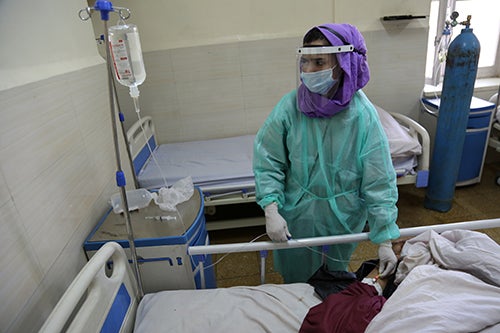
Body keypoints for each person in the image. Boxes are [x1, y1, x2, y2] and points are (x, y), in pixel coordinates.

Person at [253, 23, 399, 283]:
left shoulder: (363, 116)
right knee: (296, 282)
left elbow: (378, 180)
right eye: (305, 62)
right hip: (297, 214)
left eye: (319, 62)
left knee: (333, 280)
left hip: (342, 216)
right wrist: (271, 209)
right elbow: (268, 161)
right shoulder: (289, 108)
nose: (308, 71)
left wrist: (385, 238)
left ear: (344, 63)